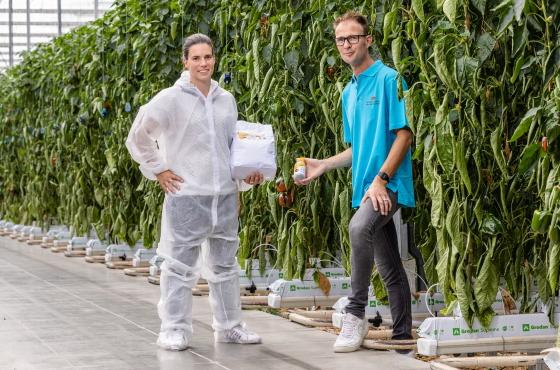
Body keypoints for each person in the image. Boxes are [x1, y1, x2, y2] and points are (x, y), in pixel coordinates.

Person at [126, 33, 264, 351]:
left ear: (215, 59)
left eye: (208, 57)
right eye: (196, 58)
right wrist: (158, 169)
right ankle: (173, 327)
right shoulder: (170, 99)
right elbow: (138, 136)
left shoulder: (226, 99)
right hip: (188, 196)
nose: (204, 63)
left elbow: (231, 147)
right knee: (179, 266)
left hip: (224, 196)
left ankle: (229, 326)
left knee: (225, 266)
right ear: (185, 62)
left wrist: (245, 178)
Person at [294, 11, 415, 355]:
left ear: (368, 40)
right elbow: (358, 148)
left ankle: (355, 311)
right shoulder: (348, 92)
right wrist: (323, 165)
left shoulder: (390, 80)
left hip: (388, 183)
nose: (346, 44)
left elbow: (404, 136)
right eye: (340, 39)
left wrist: (381, 180)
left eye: (353, 37)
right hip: (366, 187)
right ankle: (403, 334)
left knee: (358, 229)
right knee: (389, 261)